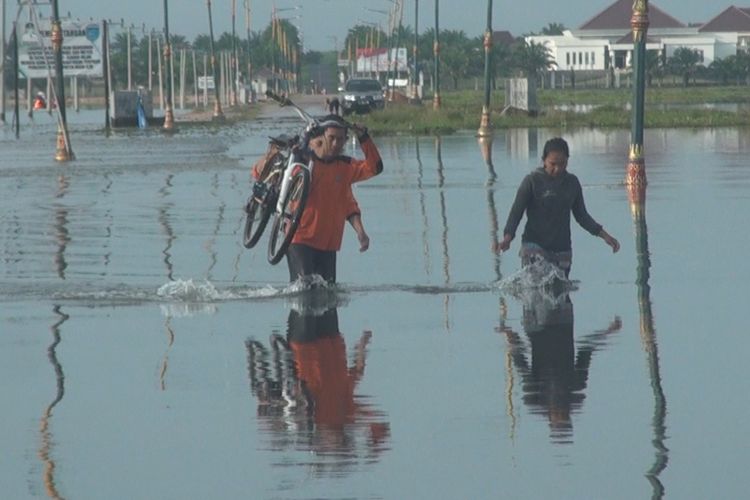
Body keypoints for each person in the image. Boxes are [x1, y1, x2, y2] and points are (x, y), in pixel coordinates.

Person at [495, 137, 619, 277]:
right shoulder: (532, 181)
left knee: (560, 290)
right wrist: (507, 238)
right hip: (534, 245)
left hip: (562, 249)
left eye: (563, 164)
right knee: (535, 288)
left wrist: (604, 236)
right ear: (544, 160)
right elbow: (516, 213)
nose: (558, 169)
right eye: (553, 164)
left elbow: (582, 216)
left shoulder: (572, 183)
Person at [286, 114, 382, 284]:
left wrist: (364, 138)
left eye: (340, 139)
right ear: (322, 137)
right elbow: (287, 181)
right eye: (332, 138)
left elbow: (375, 168)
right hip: (300, 239)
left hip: (329, 245)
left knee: (328, 299)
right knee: (304, 292)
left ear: (346, 140)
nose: (336, 144)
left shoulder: (346, 167)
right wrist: (299, 148)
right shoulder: (305, 161)